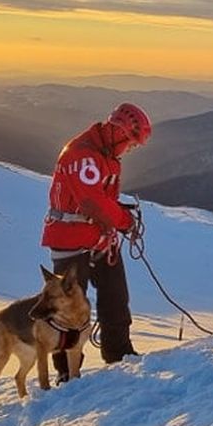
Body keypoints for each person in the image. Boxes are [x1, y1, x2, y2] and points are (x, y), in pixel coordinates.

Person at [41, 102, 152, 377]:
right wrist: (124, 221)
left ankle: (119, 353)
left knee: (115, 297)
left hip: (97, 237)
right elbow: (92, 202)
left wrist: (116, 217)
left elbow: (98, 199)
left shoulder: (100, 153)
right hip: (71, 238)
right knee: (68, 307)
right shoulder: (83, 155)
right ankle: (66, 370)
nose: (131, 149)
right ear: (120, 132)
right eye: (131, 143)